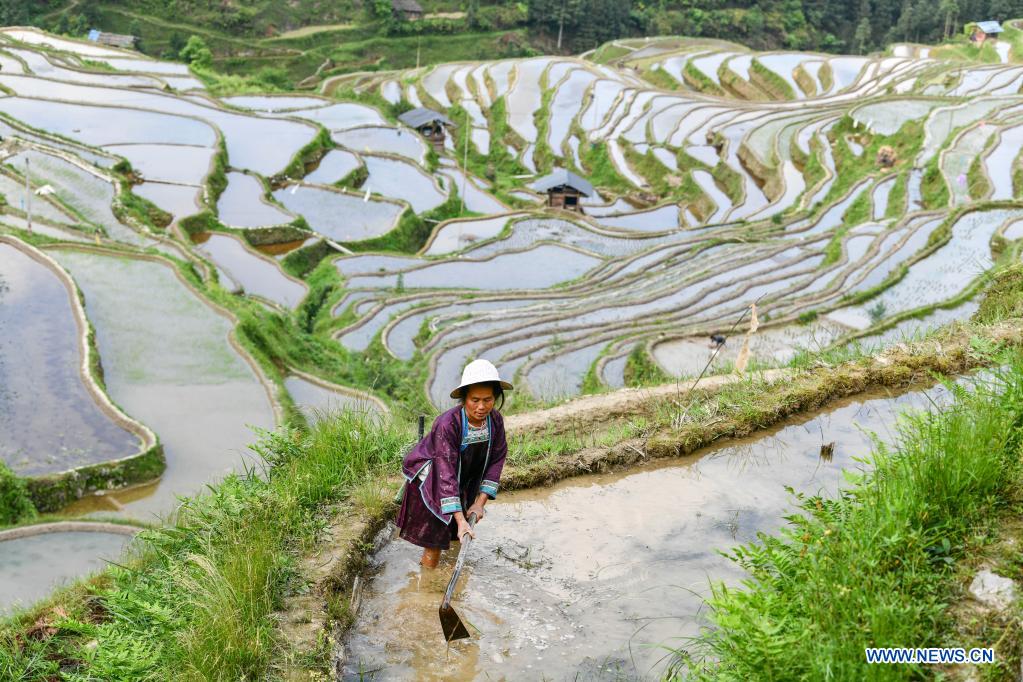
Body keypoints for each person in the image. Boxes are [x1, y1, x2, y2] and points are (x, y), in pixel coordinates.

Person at [397, 359, 511, 568]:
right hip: (433, 480)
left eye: (487, 399)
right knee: (435, 538)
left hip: (463, 477)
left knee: (456, 531)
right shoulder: (448, 424)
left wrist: (479, 503)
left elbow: (497, 459)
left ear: (495, 398)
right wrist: (460, 520)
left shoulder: (495, 420)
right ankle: (427, 586)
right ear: (464, 398)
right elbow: (445, 472)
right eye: (475, 399)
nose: (481, 406)